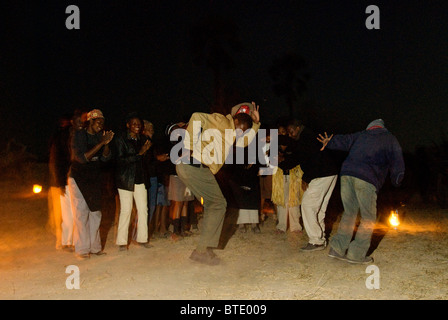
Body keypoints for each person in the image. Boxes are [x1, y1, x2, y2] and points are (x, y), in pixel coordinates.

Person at [175, 102, 261, 265]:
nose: (241, 133)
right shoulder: (221, 121)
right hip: (194, 164)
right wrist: (188, 146)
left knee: (214, 204)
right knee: (218, 204)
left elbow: (244, 142)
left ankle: (203, 249)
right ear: (236, 119)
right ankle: (201, 251)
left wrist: (255, 124)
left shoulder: (233, 132)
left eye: (244, 131)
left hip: (195, 167)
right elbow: (197, 117)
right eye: (241, 126)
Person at [318, 119, 405, 264]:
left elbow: (345, 140)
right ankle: (356, 254)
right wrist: (397, 180)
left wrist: (330, 142)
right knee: (368, 217)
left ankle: (337, 248)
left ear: (369, 128)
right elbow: (398, 161)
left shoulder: (361, 135)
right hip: (367, 178)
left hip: (346, 175)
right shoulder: (389, 138)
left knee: (349, 212)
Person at [68, 109, 114, 260]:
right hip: (78, 177)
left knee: (96, 213)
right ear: (90, 122)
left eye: (102, 122)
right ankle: (81, 250)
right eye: (98, 122)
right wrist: (101, 143)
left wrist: (106, 144)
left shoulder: (100, 136)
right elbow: (82, 158)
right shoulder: (80, 135)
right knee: (81, 213)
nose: (101, 125)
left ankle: (95, 248)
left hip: (94, 178)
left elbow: (106, 159)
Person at [286, 119, 339, 252]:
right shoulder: (307, 136)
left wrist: (306, 178)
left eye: (291, 131)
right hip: (330, 172)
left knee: (308, 205)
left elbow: (314, 158)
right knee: (319, 207)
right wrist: (282, 163)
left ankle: (316, 241)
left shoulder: (307, 137)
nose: (290, 134)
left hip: (321, 173)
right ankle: (320, 238)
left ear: (297, 128)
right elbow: (300, 158)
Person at [114, 113, 152, 251]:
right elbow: (120, 160)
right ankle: (122, 242)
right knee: (126, 210)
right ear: (128, 125)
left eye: (139, 124)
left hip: (140, 179)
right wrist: (139, 154)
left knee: (143, 210)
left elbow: (147, 161)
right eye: (134, 123)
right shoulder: (121, 139)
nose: (137, 126)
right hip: (125, 180)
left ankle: (142, 239)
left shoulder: (143, 139)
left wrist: (146, 153)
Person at [271, 134, 305, 234]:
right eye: (281, 145)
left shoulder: (294, 148)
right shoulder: (274, 149)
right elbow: (273, 161)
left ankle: (296, 226)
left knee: (293, 201)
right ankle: (281, 226)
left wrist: (283, 159)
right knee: (282, 202)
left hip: (293, 177)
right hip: (280, 177)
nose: (283, 147)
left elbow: (295, 161)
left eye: (284, 145)